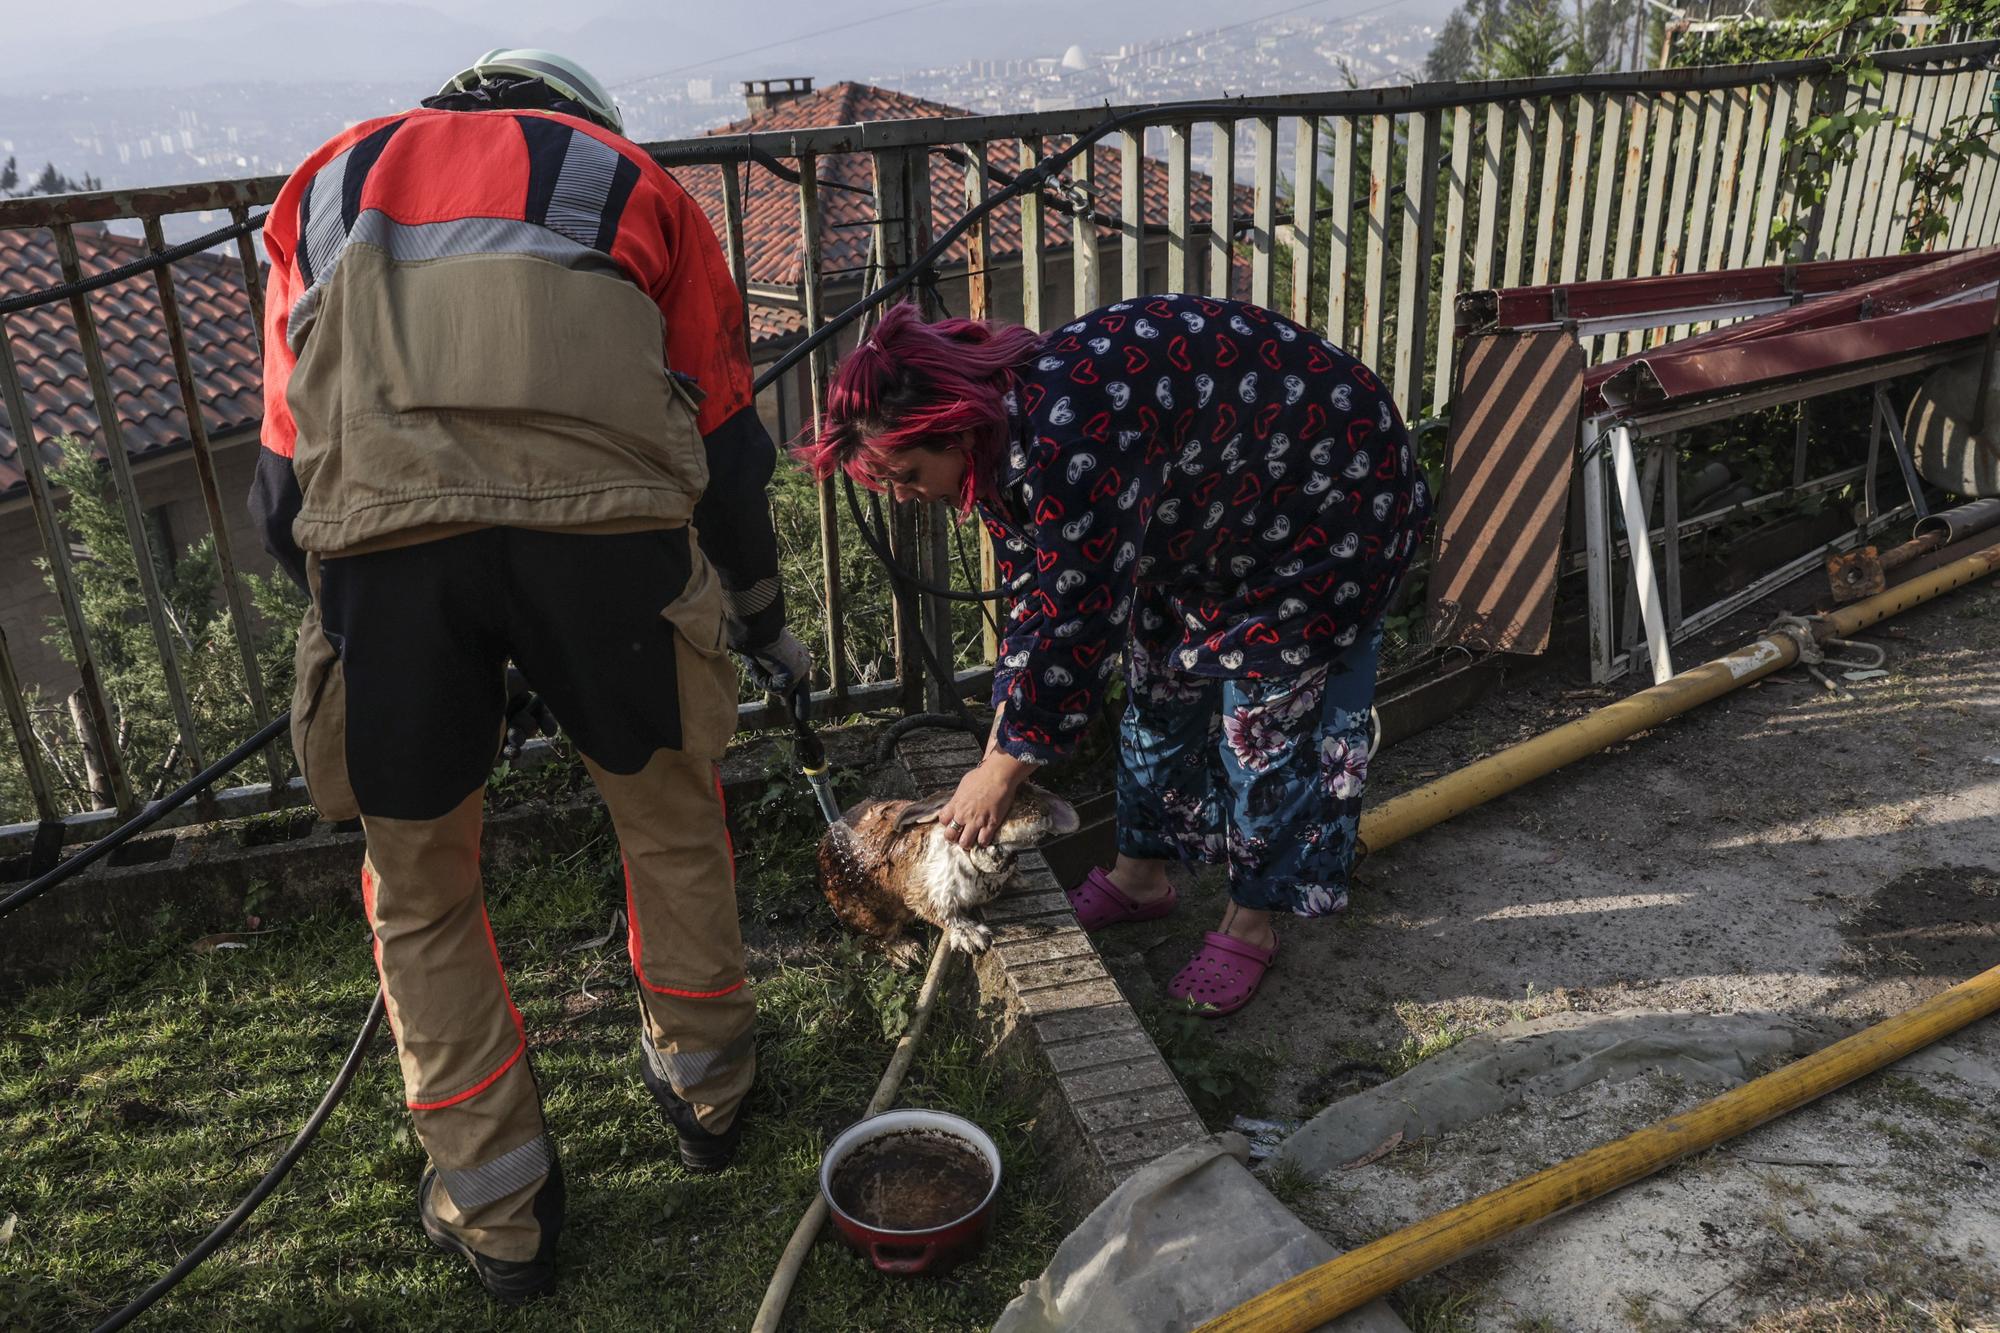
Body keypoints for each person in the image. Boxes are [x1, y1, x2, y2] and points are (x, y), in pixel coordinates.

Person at [250, 49, 809, 1304]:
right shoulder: (637, 185)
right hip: (608, 547)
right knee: (669, 818)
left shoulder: (323, 183)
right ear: (578, 116)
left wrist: (358, 621)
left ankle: (499, 1207)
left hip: (386, 566)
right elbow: (723, 454)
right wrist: (763, 621)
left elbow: (279, 482)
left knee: (418, 885)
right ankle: (708, 1090)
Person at [799, 296, 1429, 1019]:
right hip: (1209, 511)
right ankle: (1140, 877)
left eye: (907, 474)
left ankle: (1251, 919)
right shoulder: (1005, 440)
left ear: (952, 427)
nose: (907, 497)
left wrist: (1002, 770)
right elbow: (1037, 597)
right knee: (1158, 680)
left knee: (1265, 721)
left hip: (1327, 495)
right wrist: (1005, 729)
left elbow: (1078, 626)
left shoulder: (1070, 436)